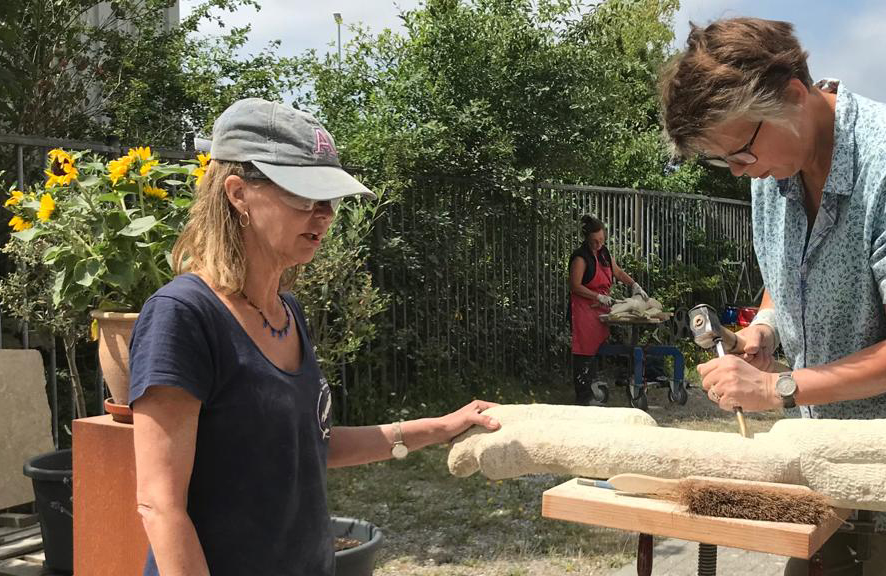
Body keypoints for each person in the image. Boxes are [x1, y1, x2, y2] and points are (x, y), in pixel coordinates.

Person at [658, 17, 886, 575]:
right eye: (723, 160)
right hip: (834, 453)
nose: (737, 171)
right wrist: (765, 329)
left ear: (794, 96)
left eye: (742, 153)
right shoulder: (771, 171)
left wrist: (778, 387)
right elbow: (791, 267)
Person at [129, 98, 501, 576]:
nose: (324, 215)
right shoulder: (182, 316)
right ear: (238, 193)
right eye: (304, 197)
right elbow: (160, 506)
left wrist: (441, 426)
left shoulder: (288, 313)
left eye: (329, 199)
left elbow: (309, 445)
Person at [568, 214, 648, 405]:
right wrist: (598, 296)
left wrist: (634, 284)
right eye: (595, 241)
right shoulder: (580, 257)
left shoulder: (604, 253)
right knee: (584, 351)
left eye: (602, 240)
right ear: (587, 239)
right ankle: (584, 397)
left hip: (602, 310)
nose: (598, 244)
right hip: (584, 310)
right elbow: (575, 286)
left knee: (598, 349)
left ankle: (594, 387)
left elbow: (618, 272)